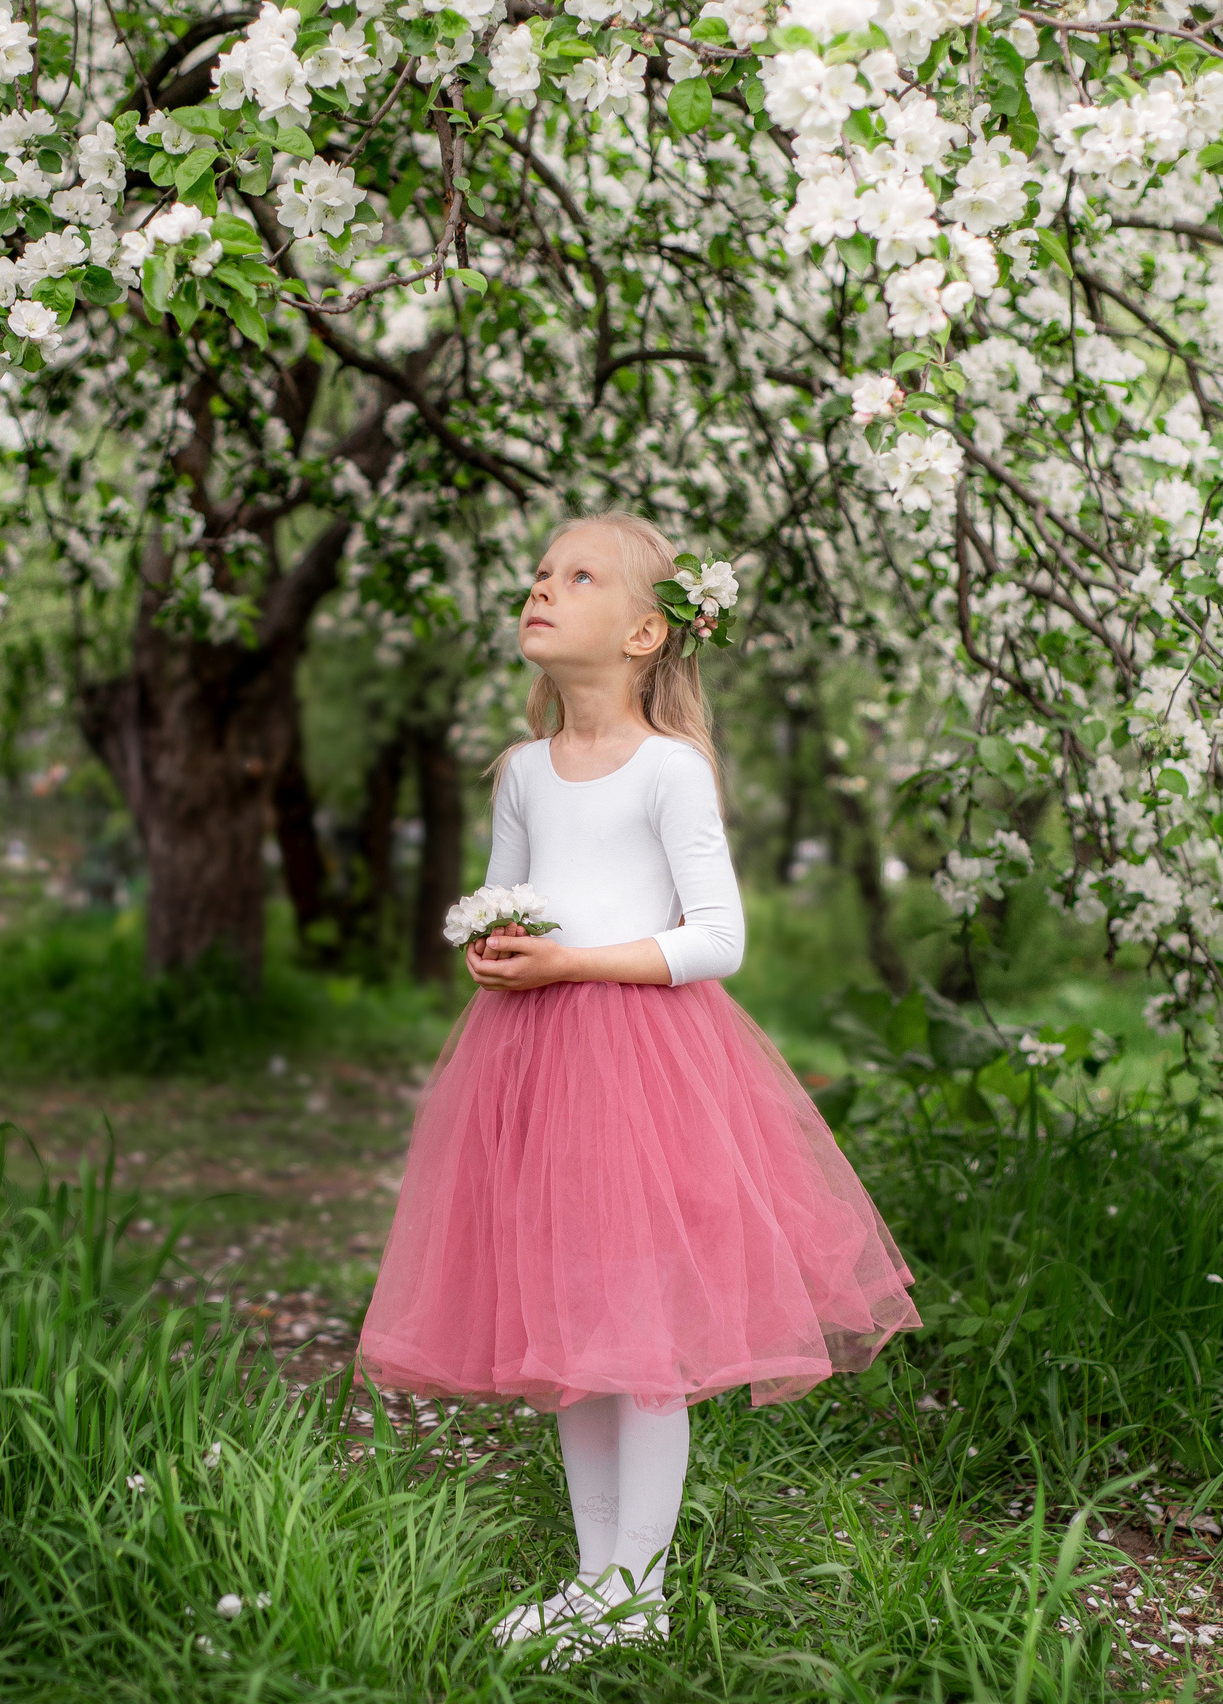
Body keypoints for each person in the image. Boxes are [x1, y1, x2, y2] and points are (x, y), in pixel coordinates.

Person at [352, 510, 924, 1663]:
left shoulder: (668, 771)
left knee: (640, 1332)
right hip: (530, 1061)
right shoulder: (521, 772)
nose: (541, 587)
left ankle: (639, 1590)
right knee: (574, 1324)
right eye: (537, 571)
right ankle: (590, 1580)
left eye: (578, 575)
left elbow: (717, 938)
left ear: (645, 632)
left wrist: (570, 960)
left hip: (642, 1063)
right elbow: (505, 901)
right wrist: (498, 950)